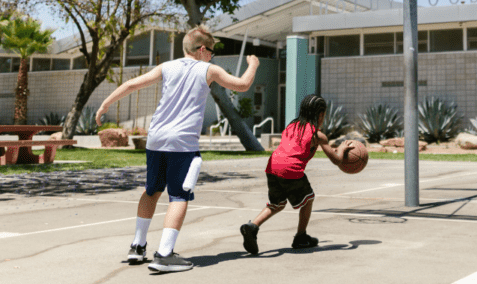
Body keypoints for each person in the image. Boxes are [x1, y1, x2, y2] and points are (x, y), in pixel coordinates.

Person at [96, 25, 259, 273]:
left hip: (156, 140)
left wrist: (105, 104)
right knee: (179, 195)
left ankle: (138, 247)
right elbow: (243, 85)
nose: (212, 56)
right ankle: (164, 254)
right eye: (211, 51)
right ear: (202, 49)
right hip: (182, 143)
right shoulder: (209, 69)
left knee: (152, 191)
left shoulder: (167, 67)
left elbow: (131, 84)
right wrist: (253, 64)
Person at [239, 94, 354, 256]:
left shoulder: (291, 127)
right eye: (324, 115)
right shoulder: (318, 135)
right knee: (308, 198)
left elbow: (296, 147)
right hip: (290, 169)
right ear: (320, 115)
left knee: (277, 203)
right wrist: (342, 148)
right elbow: (337, 160)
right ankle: (300, 236)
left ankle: (252, 226)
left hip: (272, 166)